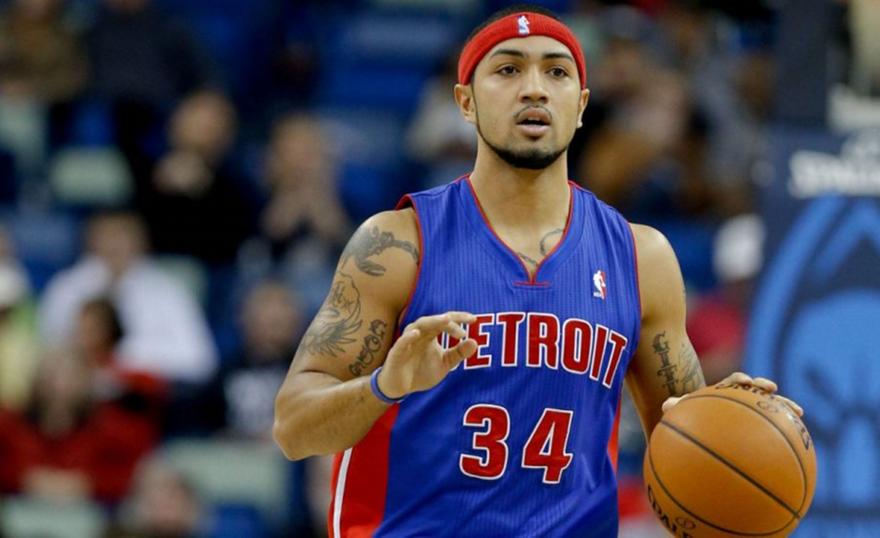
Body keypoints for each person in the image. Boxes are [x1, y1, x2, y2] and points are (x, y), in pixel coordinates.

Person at [273, 5, 803, 537]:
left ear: (581, 104)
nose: (534, 89)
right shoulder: (397, 245)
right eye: (508, 69)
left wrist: (731, 423)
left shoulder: (641, 258)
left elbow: (688, 446)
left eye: (556, 72)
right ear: (465, 101)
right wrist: (384, 385)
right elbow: (294, 428)